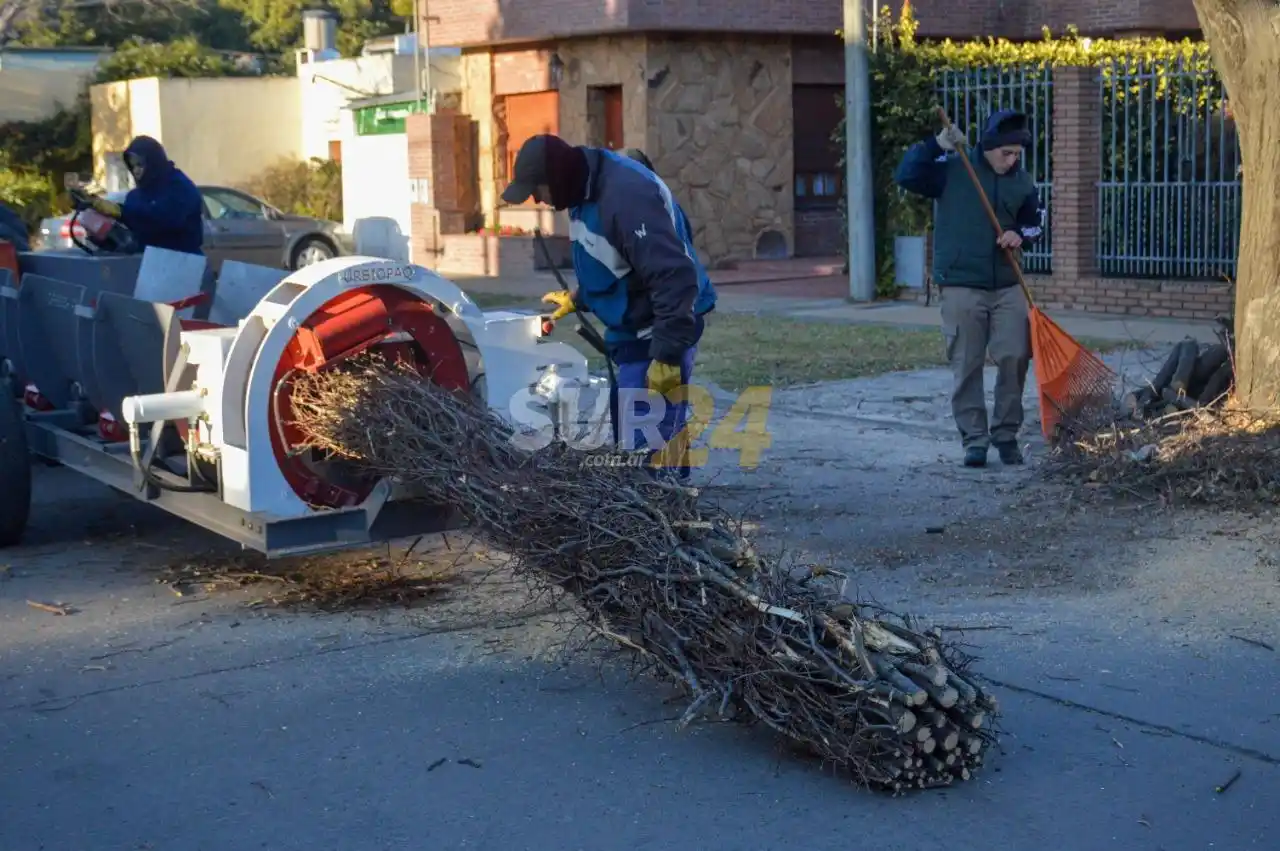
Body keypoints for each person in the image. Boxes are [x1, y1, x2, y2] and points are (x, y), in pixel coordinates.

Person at [502, 134, 717, 478]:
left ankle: (665, 517)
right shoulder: (582, 190)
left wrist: (665, 356)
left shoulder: (626, 197)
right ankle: (667, 506)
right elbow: (613, 259)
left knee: (646, 441)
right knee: (638, 432)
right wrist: (580, 296)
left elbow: (673, 278)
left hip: (662, 325)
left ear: (555, 177)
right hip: (634, 328)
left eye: (536, 191)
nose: (538, 201)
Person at [894, 109, 1045, 469]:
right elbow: (907, 175)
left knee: (1014, 357)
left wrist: (1019, 235)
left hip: (1007, 285)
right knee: (967, 363)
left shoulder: (1022, 182)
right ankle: (974, 440)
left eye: (1017, 155)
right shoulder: (952, 168)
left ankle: (1006, 435)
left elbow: (1035, 224)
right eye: (1005, 153)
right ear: (988, 146)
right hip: (961, 283)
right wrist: (935, 145)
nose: (1011, 161)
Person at [89, 135, 205, 256]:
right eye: (132, 166)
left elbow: (165, 218)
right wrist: (101, 230)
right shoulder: (135, 196)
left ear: (154, 162)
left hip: (183, 260)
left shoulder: (180, 187)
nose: (136, 171)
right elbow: (133, 234)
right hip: (149, 263)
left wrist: (122, 212)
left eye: (140, 165)